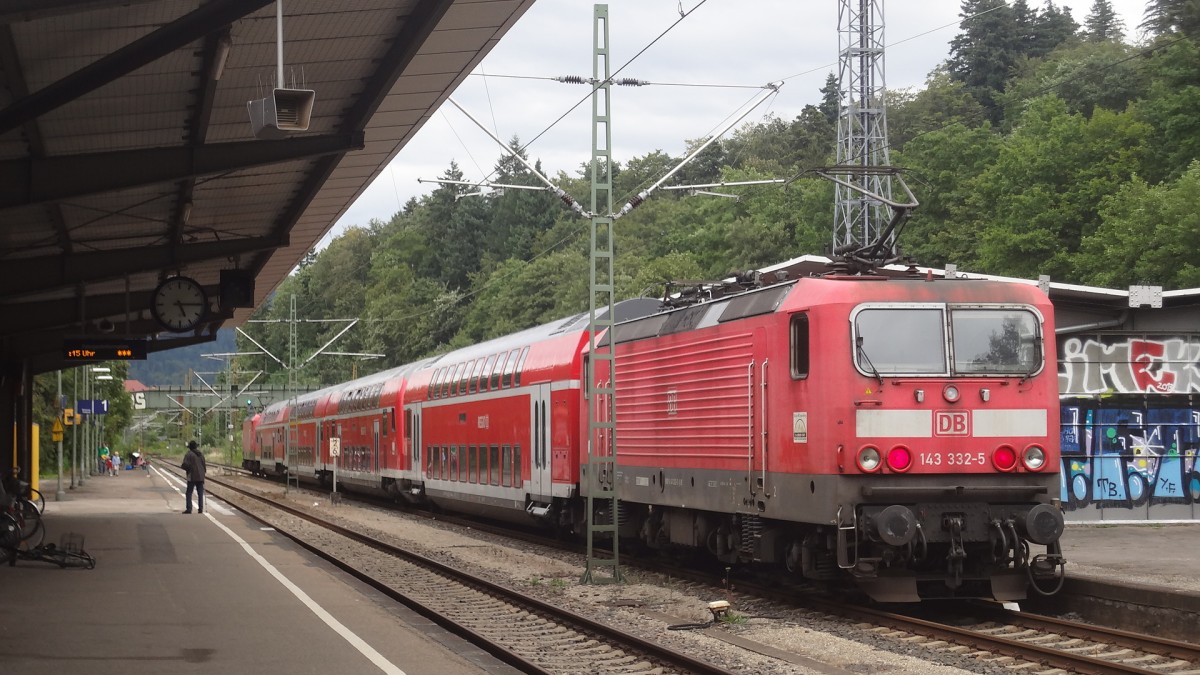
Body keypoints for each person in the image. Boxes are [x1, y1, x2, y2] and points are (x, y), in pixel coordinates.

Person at [180, 440, 207, 514]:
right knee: (200, 493)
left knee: (189, 492)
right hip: (201, 476)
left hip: (192, 476)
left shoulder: (189, 454)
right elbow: (204, 465)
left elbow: (185, 464)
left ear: (190, 447)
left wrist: (188, 469)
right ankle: (200, 509)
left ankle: (189, 509)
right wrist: (203, 473)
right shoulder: (201, 454)